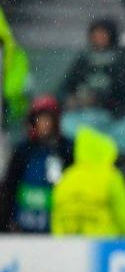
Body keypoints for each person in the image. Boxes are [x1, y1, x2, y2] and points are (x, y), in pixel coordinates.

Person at [1, 97, 74, 233]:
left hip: (56, 226)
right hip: (25, 226)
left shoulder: (66, 149)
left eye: (48, 119)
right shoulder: (24, 150)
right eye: (40, 119)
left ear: (55, 121)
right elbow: (10, 187)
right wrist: (6, 223)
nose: (44, 124)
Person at [50, 127, 125, 237]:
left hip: (68, 248)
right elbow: (124, 215)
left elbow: (57, 218)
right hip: (106, 246)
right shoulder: (111, 176)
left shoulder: (66, 178)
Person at [59, 20, 125, 119]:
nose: (99, 38)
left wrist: (99, 99)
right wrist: (71, 98)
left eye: (103, 34)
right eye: (96, 35)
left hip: (113, 113)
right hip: (83, 110)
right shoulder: (84, 59)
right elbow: (67, 85)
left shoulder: (123, 57)